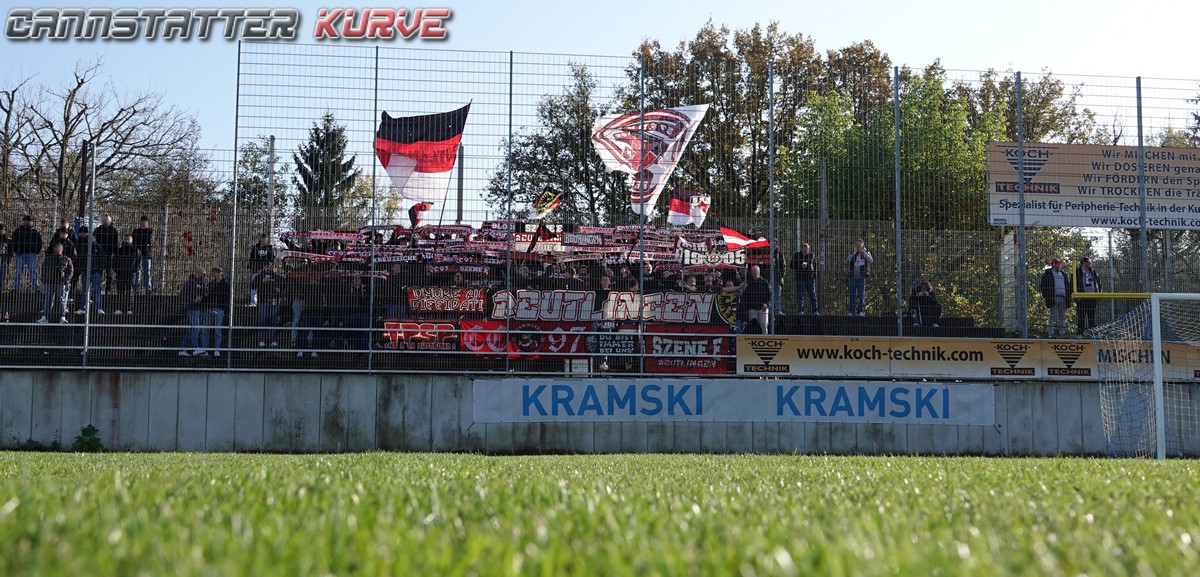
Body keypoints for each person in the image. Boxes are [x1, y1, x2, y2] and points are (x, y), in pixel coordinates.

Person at [37, 242, 72, 324]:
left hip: (61, 283)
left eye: (60, 248)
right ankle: (44, 317)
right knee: (48, 300)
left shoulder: (66, 259)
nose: (58, 250)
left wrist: (66, 280)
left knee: (61, 300)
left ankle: (62, 317)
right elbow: (43, 269)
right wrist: (44, 280)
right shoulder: (48, 258)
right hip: (49, 282)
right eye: (57, 248)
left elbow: (71, 271)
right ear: (54, 249)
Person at [252, 261, 284, 347]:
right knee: (262, 321)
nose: (268, 268)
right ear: (263, 267)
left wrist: (279, 291)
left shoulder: (277, 277)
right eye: (266, 266)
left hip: (274, 302)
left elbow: (283, 287)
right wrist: (261, 281)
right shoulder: (259, 276)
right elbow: (252, 286)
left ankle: (272, 340)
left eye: (269, 266)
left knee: (273, 322)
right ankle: (261, 340)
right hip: (263, 301)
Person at [74, 231, 106, 316]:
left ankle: (99, 308)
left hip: (96, 273)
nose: (91, 239)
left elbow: (103, 261)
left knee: (97, 290)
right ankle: (82, 308)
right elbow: (80, 259)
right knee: (85, 290)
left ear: (95, 238)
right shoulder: (84, 248)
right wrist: (83, 270)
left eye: (92, 238)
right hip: (86, 273)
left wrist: (99, 271)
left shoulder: (99, 248)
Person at [1040, 258, 1073, 338]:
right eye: (1056, 263)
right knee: (1052, 315)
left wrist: (1068, 296)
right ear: (1053, 264)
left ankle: (1062, 332)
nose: (1058, 265)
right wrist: (1047, 296)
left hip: (1063, 297)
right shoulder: (1048, 274)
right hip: (1053, 297)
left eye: (1059, 263)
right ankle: (1051, 333)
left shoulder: (1063, 274)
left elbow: (1067, 286)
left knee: (1062, 316)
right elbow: (1043, 286)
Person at [201, 267, 230, 358]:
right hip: (209, 308)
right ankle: (204, 349)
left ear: (221, 273)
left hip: (220, 309)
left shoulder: (226, 284)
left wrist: (224, 307)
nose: (215, 274)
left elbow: (227, 297)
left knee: (218, 330)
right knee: (206, 329)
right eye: (214, 272)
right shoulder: (211, 284)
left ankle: (217, 350)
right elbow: (207, 296)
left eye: (217, 272)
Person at [179, 267, 208, 356]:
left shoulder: (202, 283)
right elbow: (183, 295)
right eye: (203, 274)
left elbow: (205, 294)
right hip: (191, 307)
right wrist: (193, 300)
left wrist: (202, 298)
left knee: (193, 329)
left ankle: (182, 349)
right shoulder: (189, 283)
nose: (204, 276)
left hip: (199, 308)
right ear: (198, 273)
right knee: (196, 328)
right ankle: (195, 348)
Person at [110, 234, 140, 316]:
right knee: (120, 291)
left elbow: (139, 262)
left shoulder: (135, 250)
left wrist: (134, 271)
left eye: (128, 239)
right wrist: (117, 271)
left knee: (130, 292)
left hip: (131, 274)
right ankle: (119, 308)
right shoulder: (119, 250)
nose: (126, 241)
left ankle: (129, 308)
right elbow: (114, 262)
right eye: (125, 239)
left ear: (132, 240)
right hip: (121, 274)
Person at [12, 215, 43, 292]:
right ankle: (15, 288)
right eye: (27, 221)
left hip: (31, 254)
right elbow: (13, 242)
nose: (28, 222)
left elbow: (39, 243)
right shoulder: (18, 231)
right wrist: (16, 251)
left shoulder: (35, 232)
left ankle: (36, 288)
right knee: (18, 272)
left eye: (30, 221)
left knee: (33, 272)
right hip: (20, 254)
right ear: (24, 221)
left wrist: (35, 251)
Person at [741, 265, 772, 334]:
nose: (754, 272)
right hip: (752, 308)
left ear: (759, 271)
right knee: (752, 326)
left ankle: (764, 339)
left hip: (763, 308)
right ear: (751, 272)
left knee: (764, 325)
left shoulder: (765, 282)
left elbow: (770, 295)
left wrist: (767, 304)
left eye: (756, 271)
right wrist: (746, 308)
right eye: (753, 271)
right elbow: (745, 297)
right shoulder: (748, 283)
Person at [845, 239, 872, 316]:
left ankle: (860, 311)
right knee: (852, 295)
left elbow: (870, 260)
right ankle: (851, 311)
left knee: (861, 295)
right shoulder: (852, 253)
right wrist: (854, 253)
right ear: (855, 246)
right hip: (853, 277)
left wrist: (863, 252)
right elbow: (847, 261)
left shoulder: (866, 252)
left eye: (860, 245)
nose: (858, 247)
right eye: (857, 245)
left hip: (861, 277)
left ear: (863, 245)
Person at [1075, 257, 1102, 336]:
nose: (1090, 264)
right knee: (1081, 316)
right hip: (1082, 298)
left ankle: (1093, 333)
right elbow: (1073, 284)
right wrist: (1076, 297)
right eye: (1089, 262)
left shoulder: (1093, 272)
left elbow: (1098, 283)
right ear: (1084, 263)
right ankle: (1080, 333)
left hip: (1092, 297)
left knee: (1091, 316)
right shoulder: (1077, 272)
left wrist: (1099, 294)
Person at [247, 234, 275, 306]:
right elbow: (251, 257)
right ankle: (253, 302)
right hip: (256, 269)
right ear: (260, 239)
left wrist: (270, 266)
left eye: (265, 239)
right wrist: (249, 266)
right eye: (263, 239)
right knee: (254, 285)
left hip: (265, 270)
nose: (264, 241)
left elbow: (272, 258)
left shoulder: (269, 248)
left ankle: (267, 301)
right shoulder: (256, 247)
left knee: (267, 285)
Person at [94, 214, 119, 292]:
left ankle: (108, 289)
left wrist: (113, 253)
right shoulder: (98, 230)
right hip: (99, 255)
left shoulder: (114, 231)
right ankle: (98, 289)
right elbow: (94, 241)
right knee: (98, 272)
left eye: (107, 220)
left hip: (109, 254)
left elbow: (116, 244)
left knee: (109, 272)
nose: (106, 221)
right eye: (104, 219)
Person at [791, 242, 818, 315]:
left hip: (810, 279)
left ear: (809, 250)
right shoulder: (796, 255)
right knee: (800, 296)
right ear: (801, 249)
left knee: (813, 295)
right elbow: (791, 265)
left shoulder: (811, 255)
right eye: (804, 250)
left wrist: (808, 266)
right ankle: (800, 311)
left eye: (806, 250)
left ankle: (815, 311)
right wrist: (800, 265)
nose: (805, 252)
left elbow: (813, 264)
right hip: (800, 278)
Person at [131, 215, 154, 294]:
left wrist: (140, 240)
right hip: (137, 254)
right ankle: (136, 289)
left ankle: (148, 288)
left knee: (146, 272)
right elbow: (134, 242)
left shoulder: (150, 231)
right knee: (137, 272)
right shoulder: (135, 231)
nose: (143, 223)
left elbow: (148, 241)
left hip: (146, 254)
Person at [0, 225, 11, 291]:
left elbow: (10, 252)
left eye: (4, 229)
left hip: (3, 262)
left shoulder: (8, 241)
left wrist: (7, 261)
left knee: (2, 277)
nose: (3, 230)